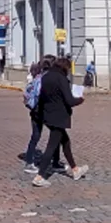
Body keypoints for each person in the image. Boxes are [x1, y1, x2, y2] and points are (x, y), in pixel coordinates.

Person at [33, 57, 89, 186]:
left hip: (47, 115)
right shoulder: (61, 79)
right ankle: (40, 176)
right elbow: (69, 100)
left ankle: (75, 169)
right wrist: (80, 100)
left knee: (65, 141)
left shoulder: (46, 77)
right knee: (51, 146)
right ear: (65, 68)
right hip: (59, 117)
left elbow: (42, 97)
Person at [22, 59, 51, 173]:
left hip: (33, 110)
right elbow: (40, 94)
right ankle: (33, 162)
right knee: (55, 134)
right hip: (40, 111)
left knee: (35, 136)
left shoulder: (33, 81)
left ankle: (30, 159)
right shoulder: (40, 81)